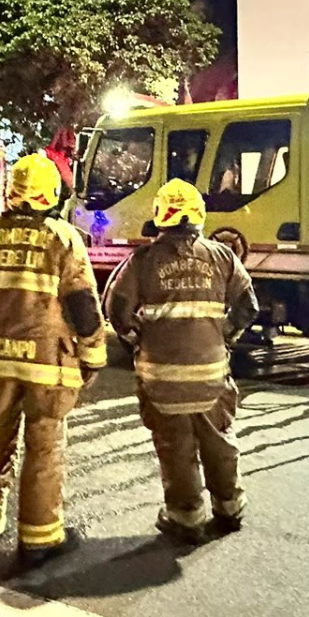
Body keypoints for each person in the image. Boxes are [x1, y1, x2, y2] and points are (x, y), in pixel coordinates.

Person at [0, 152, 108, 569]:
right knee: (44, 447)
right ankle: (40, 538)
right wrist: (93, 353)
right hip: (46, 365)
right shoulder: (62, 238)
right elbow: (82, 303)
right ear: (50, 193)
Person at [103, 179, 258, 544]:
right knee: (219, 441)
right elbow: (248, 306)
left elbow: (116, 310)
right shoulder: (222, 257)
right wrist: (226, 336)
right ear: (199, 215)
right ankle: (230, 506)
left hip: (163, 380)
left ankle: (186, 516)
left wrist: (137, 341)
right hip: (212, 375)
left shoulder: (142, 262)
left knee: (177, 449)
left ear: (161, 217)